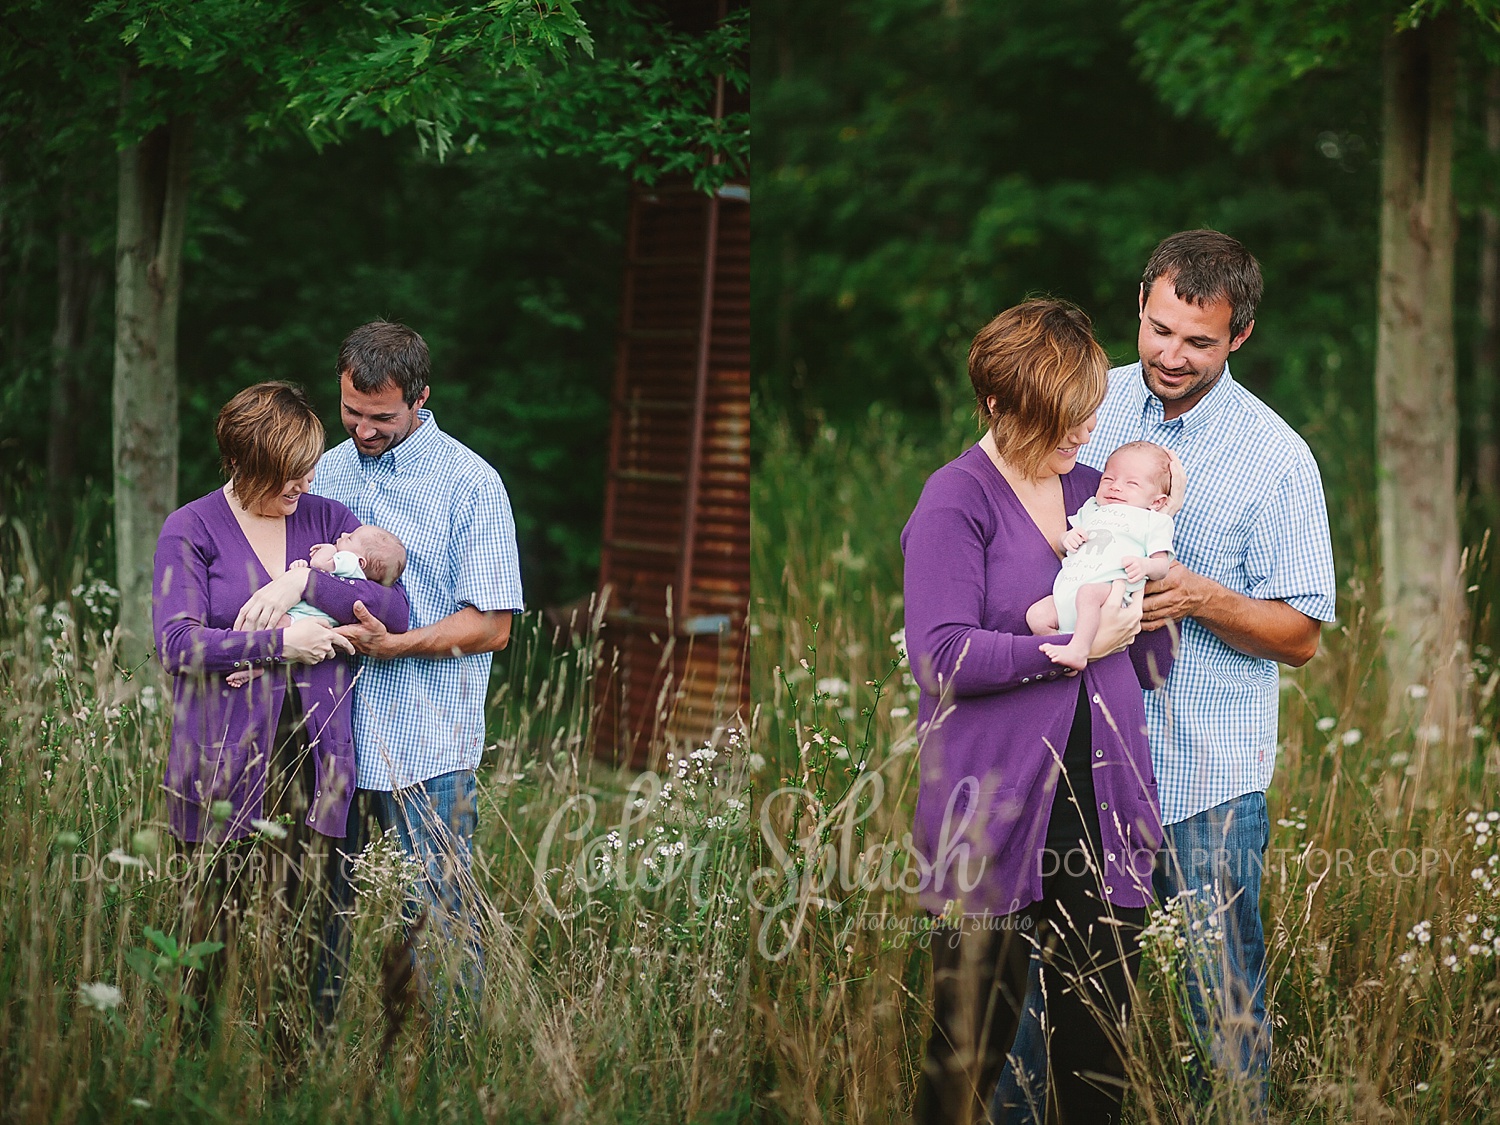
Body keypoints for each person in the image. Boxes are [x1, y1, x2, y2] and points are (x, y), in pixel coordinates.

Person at [992, 230, 1338, 1122]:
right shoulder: (1080, 400)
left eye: (1199, 341)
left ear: (1241, 337)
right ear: (1140, 299)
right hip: (1076, 767)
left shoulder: (1276, 458)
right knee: (1049, 1008)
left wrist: (1198, 596)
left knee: (1223, 1016)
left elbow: (1300, 636)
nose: (1170, 355)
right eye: (1158, 328)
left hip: (1204, 786)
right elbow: (991, 513)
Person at [902, 298, 1175, 1125]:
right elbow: (939, 656)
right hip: (995, 810)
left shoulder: (1100, 495)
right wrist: (1063, 646)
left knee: (1096, 1065)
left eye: (1088, 415)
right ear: (997, 403)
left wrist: (1143, 607)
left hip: (1102, 810)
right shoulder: (957, 500)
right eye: (1060, 420)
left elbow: (1151, 661)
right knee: (965, 1060)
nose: (1082, 435)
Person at [238, 320, 524, 997]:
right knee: (318, 923)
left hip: (425, 750)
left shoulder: (471, 484)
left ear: (421, 397)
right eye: (351, 412)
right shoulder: (324, 471)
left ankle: (453, 1079)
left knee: (440, 925)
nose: (363, 429)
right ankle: (310, 1067)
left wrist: (396, 643)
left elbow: (492, 626)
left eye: (381, 417)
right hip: (324, 744)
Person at [151, 381, 411, 1030]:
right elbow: (178, 643)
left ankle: (297, 1074)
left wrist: (307, 581)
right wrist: (280, 644)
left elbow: (394, 608)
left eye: (307, 470)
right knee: (212, 934)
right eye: (286, 474)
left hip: (317, 760)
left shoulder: (323, 520)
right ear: (242, 463)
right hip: (222, 763)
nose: (302, 484)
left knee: (309, 933)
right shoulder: (191, 527)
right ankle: (196, 1069)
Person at [1026, 441, 1176, 671]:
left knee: (1088, 594)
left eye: (1131, 483)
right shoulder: (1092, 508)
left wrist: (1145, 566)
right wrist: (1066, 539)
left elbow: (1162, 565)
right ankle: (1060, 651)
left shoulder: (1153, 521)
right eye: (1108, 479)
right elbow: (1064, 541)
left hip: (1108, 595)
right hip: (1068, 592)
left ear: (1157, 501)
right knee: (1036, 615)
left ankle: (1079, 650)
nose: (1115, 487)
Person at [224, 525, 407, 688]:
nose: (343, 534)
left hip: (301, 616)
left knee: (262, 620)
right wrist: (300, 568)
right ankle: (258, 664)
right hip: (313, 621)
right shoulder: (357, 579)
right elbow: (320, 576)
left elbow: (318, 565)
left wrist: (328, 549)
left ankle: (253, 663)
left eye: (349, 538)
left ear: (361, 562)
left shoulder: (349, 562)